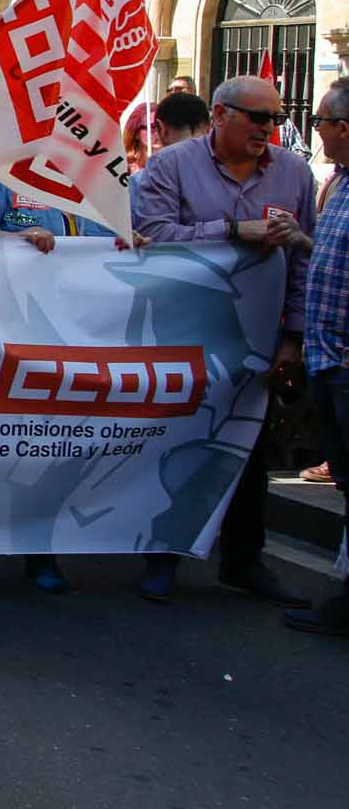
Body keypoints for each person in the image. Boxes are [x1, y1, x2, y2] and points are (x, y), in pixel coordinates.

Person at [129, 74, 314, 609]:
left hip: (258, 337)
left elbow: (305, 259)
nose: (268, 129)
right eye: (257, 118)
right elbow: (155, 237)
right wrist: (235, 231)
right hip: (183, 335)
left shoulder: (295, 173)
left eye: (275, 119)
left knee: (247, 448)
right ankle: (161, 556)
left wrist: (293, 336)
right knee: (176, 443)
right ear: (220, 116)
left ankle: (244, 559)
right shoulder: (171, 167)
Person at [0, 173, 117, 598]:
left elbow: (110, 244)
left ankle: (43, 551)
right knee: (3, 446)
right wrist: (16, 237)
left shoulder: (98, 182)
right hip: (12, 334)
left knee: (58, 449)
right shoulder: (5, 177)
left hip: (76, 337)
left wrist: (130, 243)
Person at [287, 78, 349, 634]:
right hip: (327, 358)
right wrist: (301, 242)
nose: (317, 133)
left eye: (322, 123)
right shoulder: (339, 186)